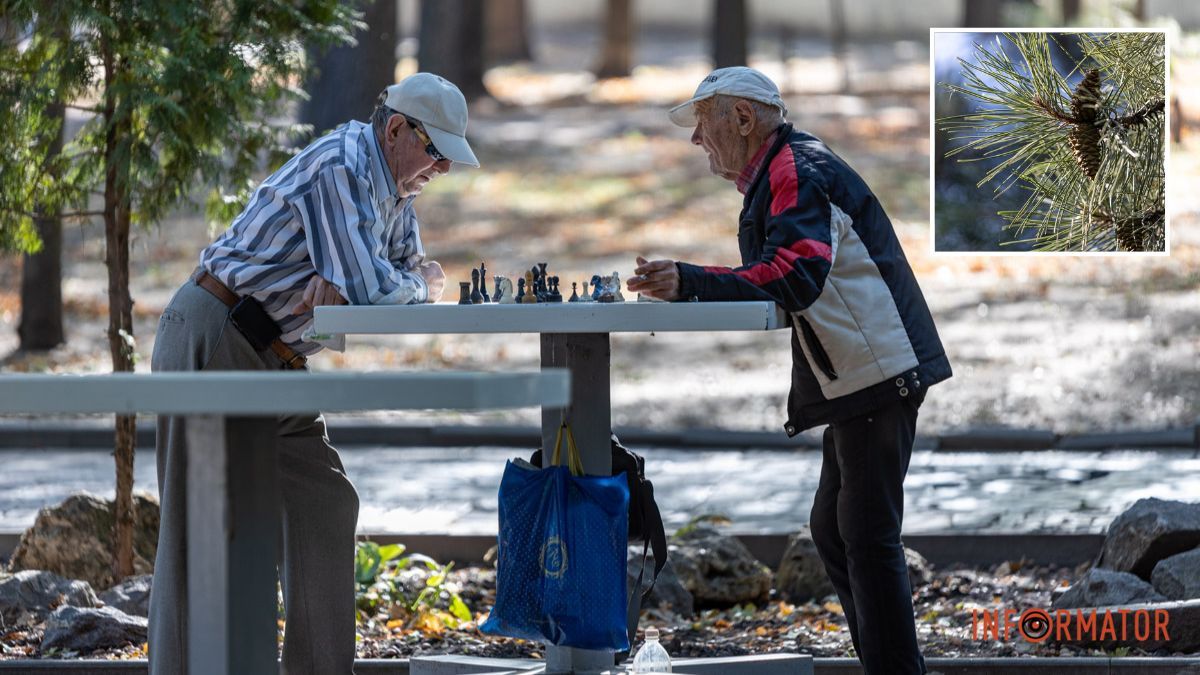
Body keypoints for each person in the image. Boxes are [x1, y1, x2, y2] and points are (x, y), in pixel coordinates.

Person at [148, 72, 479, 674]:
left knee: (326, 503)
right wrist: (399, 285)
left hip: (282, 359)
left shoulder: (397, 190)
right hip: (220, 333)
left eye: (450, 159)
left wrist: (370, 288)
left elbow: (378, 287)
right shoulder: (343, 164)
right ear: (398, 129)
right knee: (200, 535)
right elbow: (387, 286)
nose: (443, 170)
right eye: (436, 152)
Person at [627, 67, 950, 675]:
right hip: (862, 375)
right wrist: (693, 282)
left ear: (744, 120)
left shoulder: (796, 170)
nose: (697, 140)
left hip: (876, 376)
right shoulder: (784, 170)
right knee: (834, 529)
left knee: (864, 535)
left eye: (704, 123)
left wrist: (692, 279)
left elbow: (796, 275)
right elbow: (787, 272)